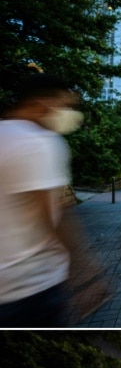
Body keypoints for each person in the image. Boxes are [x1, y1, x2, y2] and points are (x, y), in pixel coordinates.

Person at [0, 74, 85, 327]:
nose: (69, 113)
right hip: (30, 286)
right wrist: (85, 273)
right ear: (41, 105)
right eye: (65, 105)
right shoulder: (38, 142)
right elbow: (55, 217)